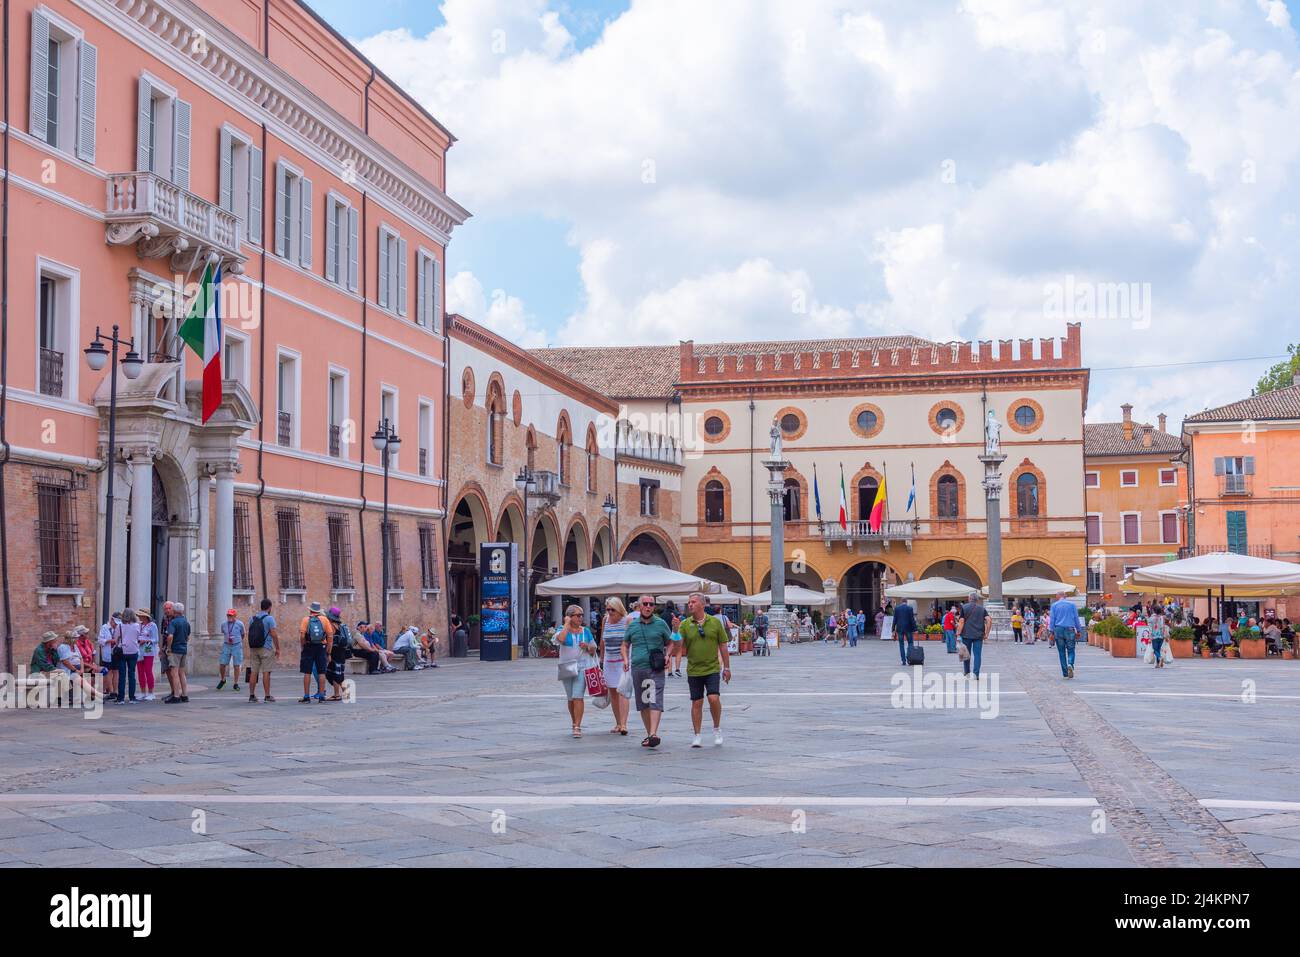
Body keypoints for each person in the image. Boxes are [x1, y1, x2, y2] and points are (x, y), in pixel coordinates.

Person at [622, 594, 675, 749]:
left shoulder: (660, 624)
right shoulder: (632, 625)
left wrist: (668, 654)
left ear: (654, 606)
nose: (648, 606)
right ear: (639, 606)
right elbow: (624, 644)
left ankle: (653, 734)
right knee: (644, 703)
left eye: (651, 604)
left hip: (655, 668)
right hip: (638, 667)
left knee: (655, 699)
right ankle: (649, 733)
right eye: (645, 604)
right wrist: (625, 659)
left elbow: (671, 642)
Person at [678, 592, 731, 748]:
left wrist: (727, 667)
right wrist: (675, 631)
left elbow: (723, 645)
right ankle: (697, 735)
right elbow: (678, 646)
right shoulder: (685, 624)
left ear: (702, 604)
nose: (690, 604)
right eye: (689, 602)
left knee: (713, 698)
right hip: (694, 669)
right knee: (697, 702)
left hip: (712, 668)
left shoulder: (715, 623)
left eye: (693, 602)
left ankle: (716, 728)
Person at [555, 604, 597, 737]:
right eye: (577, 615)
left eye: (582, 615)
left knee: (578, 696)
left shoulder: (585, 631)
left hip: (582, 667)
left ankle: (578, 726)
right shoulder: (562, 630)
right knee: (570, 698)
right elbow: (560, 640)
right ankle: (574, 722)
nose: (580, 618)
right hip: (567, 668)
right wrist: (567, 624)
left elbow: (594, 649)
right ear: (569, 617)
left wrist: (587, 647)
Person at [600, 598, 631, 736]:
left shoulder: (627, 620)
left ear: (619, 609)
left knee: (622, 692)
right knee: (613, 692)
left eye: (613, 609)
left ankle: (624, 724)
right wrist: (601, 658)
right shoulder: (605, 620)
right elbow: (602, 640)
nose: (610, 612)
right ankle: (618, 723)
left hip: (622, 661)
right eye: (608, 609)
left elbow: (630, 641)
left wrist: (629, 659)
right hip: (609, 661)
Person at [298, 602, 335, 702]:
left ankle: (306, 696)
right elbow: (330, 636)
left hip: (309, 646)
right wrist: (328, 651)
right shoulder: (325, 620)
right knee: (321, 672)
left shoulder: (306, 619)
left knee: (307, 672)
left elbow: (302, 635)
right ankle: (322, 696)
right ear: (319, 611)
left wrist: (303, 645)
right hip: (321, 647)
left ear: (310, 610)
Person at [246, 598, 280, 703]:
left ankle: (252, 695)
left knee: (253, 671)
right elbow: (274, 634)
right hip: (266, 648)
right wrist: (278, 648)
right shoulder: (270, 619)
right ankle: (267, 696)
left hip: (254, 648)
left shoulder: (252, 618)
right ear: (269, 607)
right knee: (266, 672)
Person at [161, 602, 191, 703]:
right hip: (183, 649)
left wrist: (169, 648)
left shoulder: (173, 622)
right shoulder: (186, 622)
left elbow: (170, 636)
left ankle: (176, 695)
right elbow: (188, 636)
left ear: (175, 611)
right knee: (182, 673)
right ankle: (185, 695)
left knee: (174, 673)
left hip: (175, 650)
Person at [1049, 591, 1082, 679]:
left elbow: (1052, 620)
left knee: (1061, 652)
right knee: (1071, 649)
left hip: (1058, 629)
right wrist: (1078, 630)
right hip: (1070, 629)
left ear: (1058, 596)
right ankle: (1070, 663)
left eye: (1056, 596)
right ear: (1065, 596)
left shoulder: (1054, 605)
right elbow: (1076, 618)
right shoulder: (1072, 605)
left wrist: (1051, 632)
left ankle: (1065, 673)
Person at [957, 591, 990, 680]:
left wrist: (958, 633)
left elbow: (961, 621)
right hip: (978, 635)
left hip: (966, 635)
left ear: (969, 599)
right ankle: (976, 674)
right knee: (977, 655)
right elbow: (989, 620)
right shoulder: (982, 609)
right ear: (977, 599)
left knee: (966, 654)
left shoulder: (964, 607)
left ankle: (967, 672)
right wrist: (987, 633)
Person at [114, 608, 141, 704]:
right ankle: (132, 697)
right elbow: (138, 637)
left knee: (122, 675)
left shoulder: (119, 626)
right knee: (132, 674)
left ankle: (121, 698)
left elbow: (115, 638)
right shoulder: (137, 626)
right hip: (133, 651)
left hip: (122, 651)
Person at [324, 608, 351, 699]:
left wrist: (329, 653)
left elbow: (330, 641)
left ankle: (336, 695)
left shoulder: (331, 626)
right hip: (342, 651)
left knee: (333, 673)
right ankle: (346, 692)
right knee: (339, 673)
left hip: (334, 651)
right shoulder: (341, 625)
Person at [216, 609, 245, 691]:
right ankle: (223, 680)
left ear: (235, 616)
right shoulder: (224, 624)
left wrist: (237, 641)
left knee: (236, 665)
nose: (229, 617)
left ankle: (236, 683)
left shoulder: (240, 624)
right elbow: (223, 632)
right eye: (228, 615)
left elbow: (243, 634)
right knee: (222, 664)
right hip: (226, 645)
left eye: (231, 615)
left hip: (237, 645)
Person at [135, 610, 158, 701]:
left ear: (145, 617)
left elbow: (155, 639)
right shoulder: (139, 625)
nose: (139, 617)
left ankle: (151, 692)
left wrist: (146, 641)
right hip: (139, 650)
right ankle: (143, 692)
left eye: (141, 615)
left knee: (148, 671)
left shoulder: (152, 626)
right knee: (140, 672)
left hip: (148, 650)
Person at [97, 614, 119, 700]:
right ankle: (111, 691)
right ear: (112, 620)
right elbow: (100, 640)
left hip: (116, 652)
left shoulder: (118, 627)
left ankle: (115, 691)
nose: (116, 625)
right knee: (109, 672)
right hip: (107, 652)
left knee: (116, 671)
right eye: (115, 623)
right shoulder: (104, 627)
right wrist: (110, 640)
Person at [893, 599, 918, 666]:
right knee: (910, 643)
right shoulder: (910, 608)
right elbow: (912, 619)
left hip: (900, 629)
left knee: (901, 645)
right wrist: (915, 629)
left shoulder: (897, 608)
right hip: (908, 629)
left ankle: (903, 661)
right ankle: (909, 658)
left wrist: (893, 629)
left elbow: (894, 619)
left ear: (901, 602)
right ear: (906, 602)